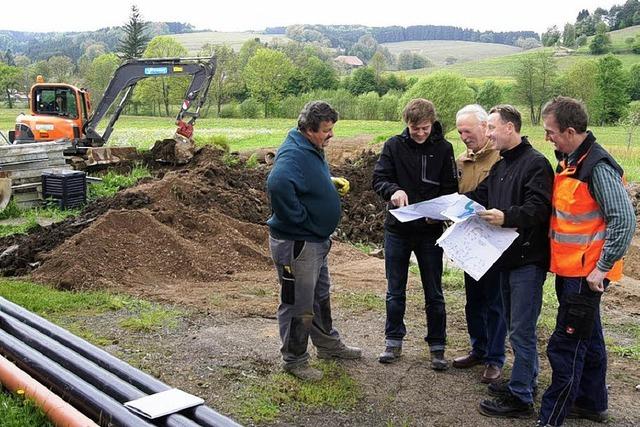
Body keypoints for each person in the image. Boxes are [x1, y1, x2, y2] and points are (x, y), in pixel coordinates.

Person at [537, 97, 635, 427]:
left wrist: (603, 267)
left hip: (587, 273)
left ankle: (550, 418)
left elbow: (624, 220)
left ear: (569, 130)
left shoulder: (597, 167)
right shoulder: (571, 160)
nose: (547, 138)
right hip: (571, 269)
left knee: (567, 345)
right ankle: (592, 403)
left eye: (550, 132)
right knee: (589, 338)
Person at [466, 105, 554, 418]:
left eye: (491, 127)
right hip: (504, 258)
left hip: (527, 261)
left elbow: (539, 209)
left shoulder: (536, 164)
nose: (487, 134)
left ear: (510, 128)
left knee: (521, 330)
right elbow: (479, 195)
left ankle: (521, 399)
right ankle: (523, 380)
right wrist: (451, 206)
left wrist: (507, 217)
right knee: (515, 325)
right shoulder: (502, 166)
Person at [266, 101, 361, 381]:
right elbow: (278, 184)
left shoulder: (310, 148)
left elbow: (302, 181)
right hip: (298, 244)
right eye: (326, 131)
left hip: (315, 242)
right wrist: (302, 220)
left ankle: (328, 345)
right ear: (308, 129)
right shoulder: (294, 153)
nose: (330, 135)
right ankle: (294, 359)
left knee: (319, 296)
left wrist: (326, 183)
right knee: (298, 302)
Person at [372, 98, 458, 370]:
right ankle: (393, 341)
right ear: (406, 125)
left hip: (430, 230)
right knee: (395, 290)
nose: (420, 134)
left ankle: (437, 346)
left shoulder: (444, 149)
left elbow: (450, 187)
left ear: (432, 124)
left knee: (434, 291)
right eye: (414, 128)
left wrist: (441, 212)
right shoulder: (393, 146)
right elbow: (379, 179)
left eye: (425, 128)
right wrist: (393, 190)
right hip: (398, 229)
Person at [452, 104, 506, 384]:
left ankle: (495, 359)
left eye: (468, 131)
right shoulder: (463, 160)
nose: (464, 136)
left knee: (495, 301)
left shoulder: (501, 158)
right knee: (474, 300)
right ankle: (479, 348)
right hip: (469, 240)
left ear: (486, 127)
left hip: (495, 240)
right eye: (460, 131)